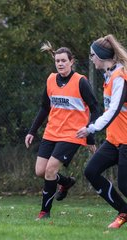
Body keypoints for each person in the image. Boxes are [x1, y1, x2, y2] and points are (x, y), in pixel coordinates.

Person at [25, 42, 99, 220]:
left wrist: (89, 137)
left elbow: (95, 109)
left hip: (72, 135)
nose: (60, 64)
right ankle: (65, 182)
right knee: (40, 171)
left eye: (63, 60)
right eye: (57, 60)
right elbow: (44, 108)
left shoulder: (80, 81)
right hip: (51, 132)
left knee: (50, 170)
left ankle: (44, 212)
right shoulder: (51, 79)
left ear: (71, 61)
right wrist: (32, 131)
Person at [77, 34, 127, 229]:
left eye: (92, 55)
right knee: (91, 171)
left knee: (124, 185)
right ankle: (123, 210)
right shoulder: (110, 75)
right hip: (114, 140)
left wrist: (91, 128)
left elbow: (114, 111)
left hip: (126, 142)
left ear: (101, 56)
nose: (91, 59)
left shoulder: (120, 77)